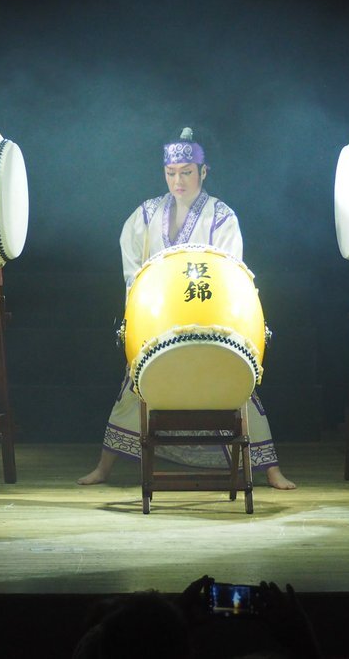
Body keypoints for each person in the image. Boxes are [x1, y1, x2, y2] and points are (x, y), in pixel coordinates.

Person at [78, 127, 295, 490]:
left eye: (186, 172)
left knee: (240, 386)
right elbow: (133, 271)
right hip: (158, 322)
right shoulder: (146, 215)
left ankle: (270, 470)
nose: (178, 181)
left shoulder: (221, 217)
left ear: (203, 172)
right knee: (134, 386)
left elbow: (229, 272)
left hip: (211, 320)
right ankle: (103, 468)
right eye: (171, 173)